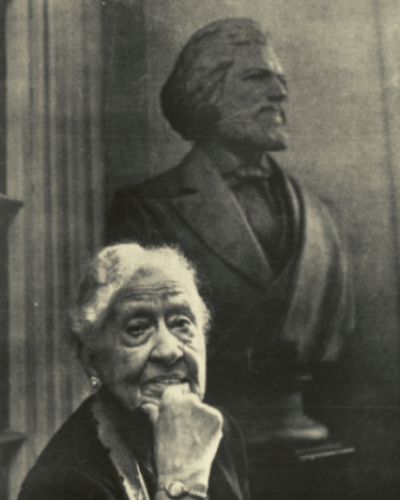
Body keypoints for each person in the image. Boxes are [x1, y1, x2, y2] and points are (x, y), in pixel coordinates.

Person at [106, 18, 353, 412]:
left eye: (281, 81)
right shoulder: (148, 210)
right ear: (206, 92)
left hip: (304, 431)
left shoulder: (323, 218)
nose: (278, 93)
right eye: (257, 77)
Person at [18, 243, 249, 500]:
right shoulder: (62, 483)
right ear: (92, 359)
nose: (170, 351)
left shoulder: (216, 430)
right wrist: (182, 481)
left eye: (182, 323)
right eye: (137, 329)